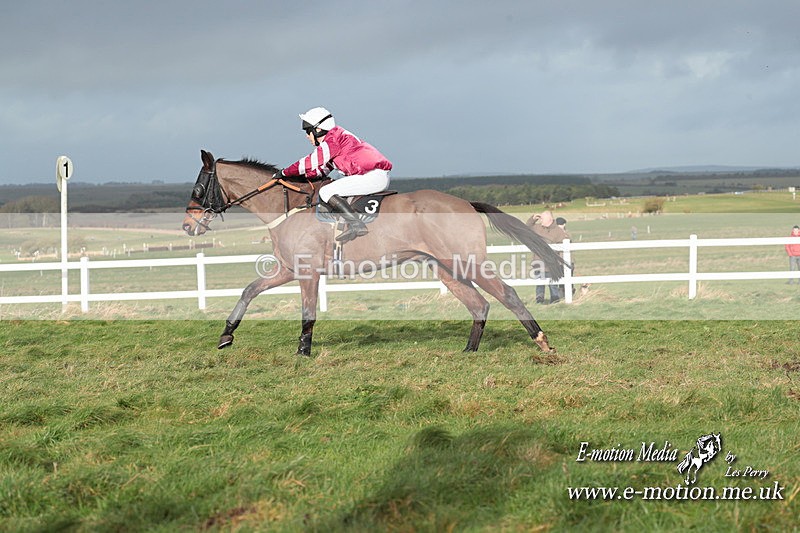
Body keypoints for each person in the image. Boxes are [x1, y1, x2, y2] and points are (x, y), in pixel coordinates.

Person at [276, 107, 393, 242]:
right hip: (372, 176)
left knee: (326, 192)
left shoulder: (333, 140)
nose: (307, 136)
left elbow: (310, 161)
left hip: (372, 177)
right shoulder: (337, 138)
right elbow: (322, 170)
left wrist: (285, 172)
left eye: (308, 131)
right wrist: (300, 177)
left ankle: (356, 225)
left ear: (317, 130)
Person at [526, 210, 568, 304]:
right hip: (538, 262)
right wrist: (533, 218)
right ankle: (539, 301)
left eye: (542, 219)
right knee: (539, 284)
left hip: (552, 264)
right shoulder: (537, 228)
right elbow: (526, 228)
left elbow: (563, 247)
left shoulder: (558, 231)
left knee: (553, 284)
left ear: (549, 219)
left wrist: (561, 263)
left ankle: (555, 301)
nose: (540, 220)